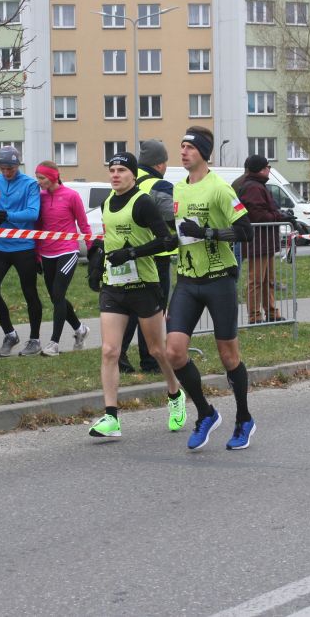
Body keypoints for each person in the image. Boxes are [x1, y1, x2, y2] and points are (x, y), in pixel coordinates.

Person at [166, 126, 257, 451]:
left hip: (219, 279)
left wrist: (207, 233)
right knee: (174, 352)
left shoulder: (220, 189)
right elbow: (178, 233)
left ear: (204, 153)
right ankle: (206, 413)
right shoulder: (178, 189)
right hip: (187, 280)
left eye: (189, 147)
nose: (183, 151)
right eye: (181, 146)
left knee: (228, 356)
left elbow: (245, 231)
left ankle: (244, 419)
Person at [88, 152, 186, 439]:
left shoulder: (143, 202)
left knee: (157, 351)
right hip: (114, 286)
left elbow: (167, 240)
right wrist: (98, 261)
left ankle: (175, 393)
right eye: (112, 170)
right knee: (110, 351)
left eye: (121, 170)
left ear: (133, 174)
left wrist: (131, 253)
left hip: (144, 284)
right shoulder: (107, 202)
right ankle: (111, 418)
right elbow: (111, 240)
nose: (115, 175)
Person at [0, 146, 43, 357]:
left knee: (29, 292)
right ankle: (10, 334)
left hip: (24, 247)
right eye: (3, 168)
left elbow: (33, 213)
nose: (6, 172)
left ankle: (35, 339)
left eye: (10, 169)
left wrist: (6, 215)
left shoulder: (30, 184)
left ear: (17, 165)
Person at [117, 139, 175, 373]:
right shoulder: (160, 186)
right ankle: (150, 360)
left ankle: (119, 355)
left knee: (130, 308)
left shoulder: (125, 180)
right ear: (159, 164)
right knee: (152, 310)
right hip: (155, 255)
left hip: (126, 253)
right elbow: (173, 218)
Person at [33, 160, 90, 356]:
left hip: (67, 250)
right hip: (46, 252)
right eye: (37, 178)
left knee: (58, 293)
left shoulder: (71, 196)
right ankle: (80, 329)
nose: (39, 182)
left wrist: (92, 250)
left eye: (42, 178)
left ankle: (54, 344)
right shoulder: (40, 197)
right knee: (55, 297)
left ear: (52, 177)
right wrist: (37, 255)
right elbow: (38, 227)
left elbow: (84, 225)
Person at [234, 154, 287, 324]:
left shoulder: (258, 185)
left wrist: (279, 215)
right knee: (256, 280)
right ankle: (254, 315)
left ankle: (271, 312)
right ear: (260, 169)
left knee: (268, 280)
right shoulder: (252, 187)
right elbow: (258, 215)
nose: (269, 169)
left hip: (265, 240)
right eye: (267, 167)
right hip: (257, 241)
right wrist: (278, 216)